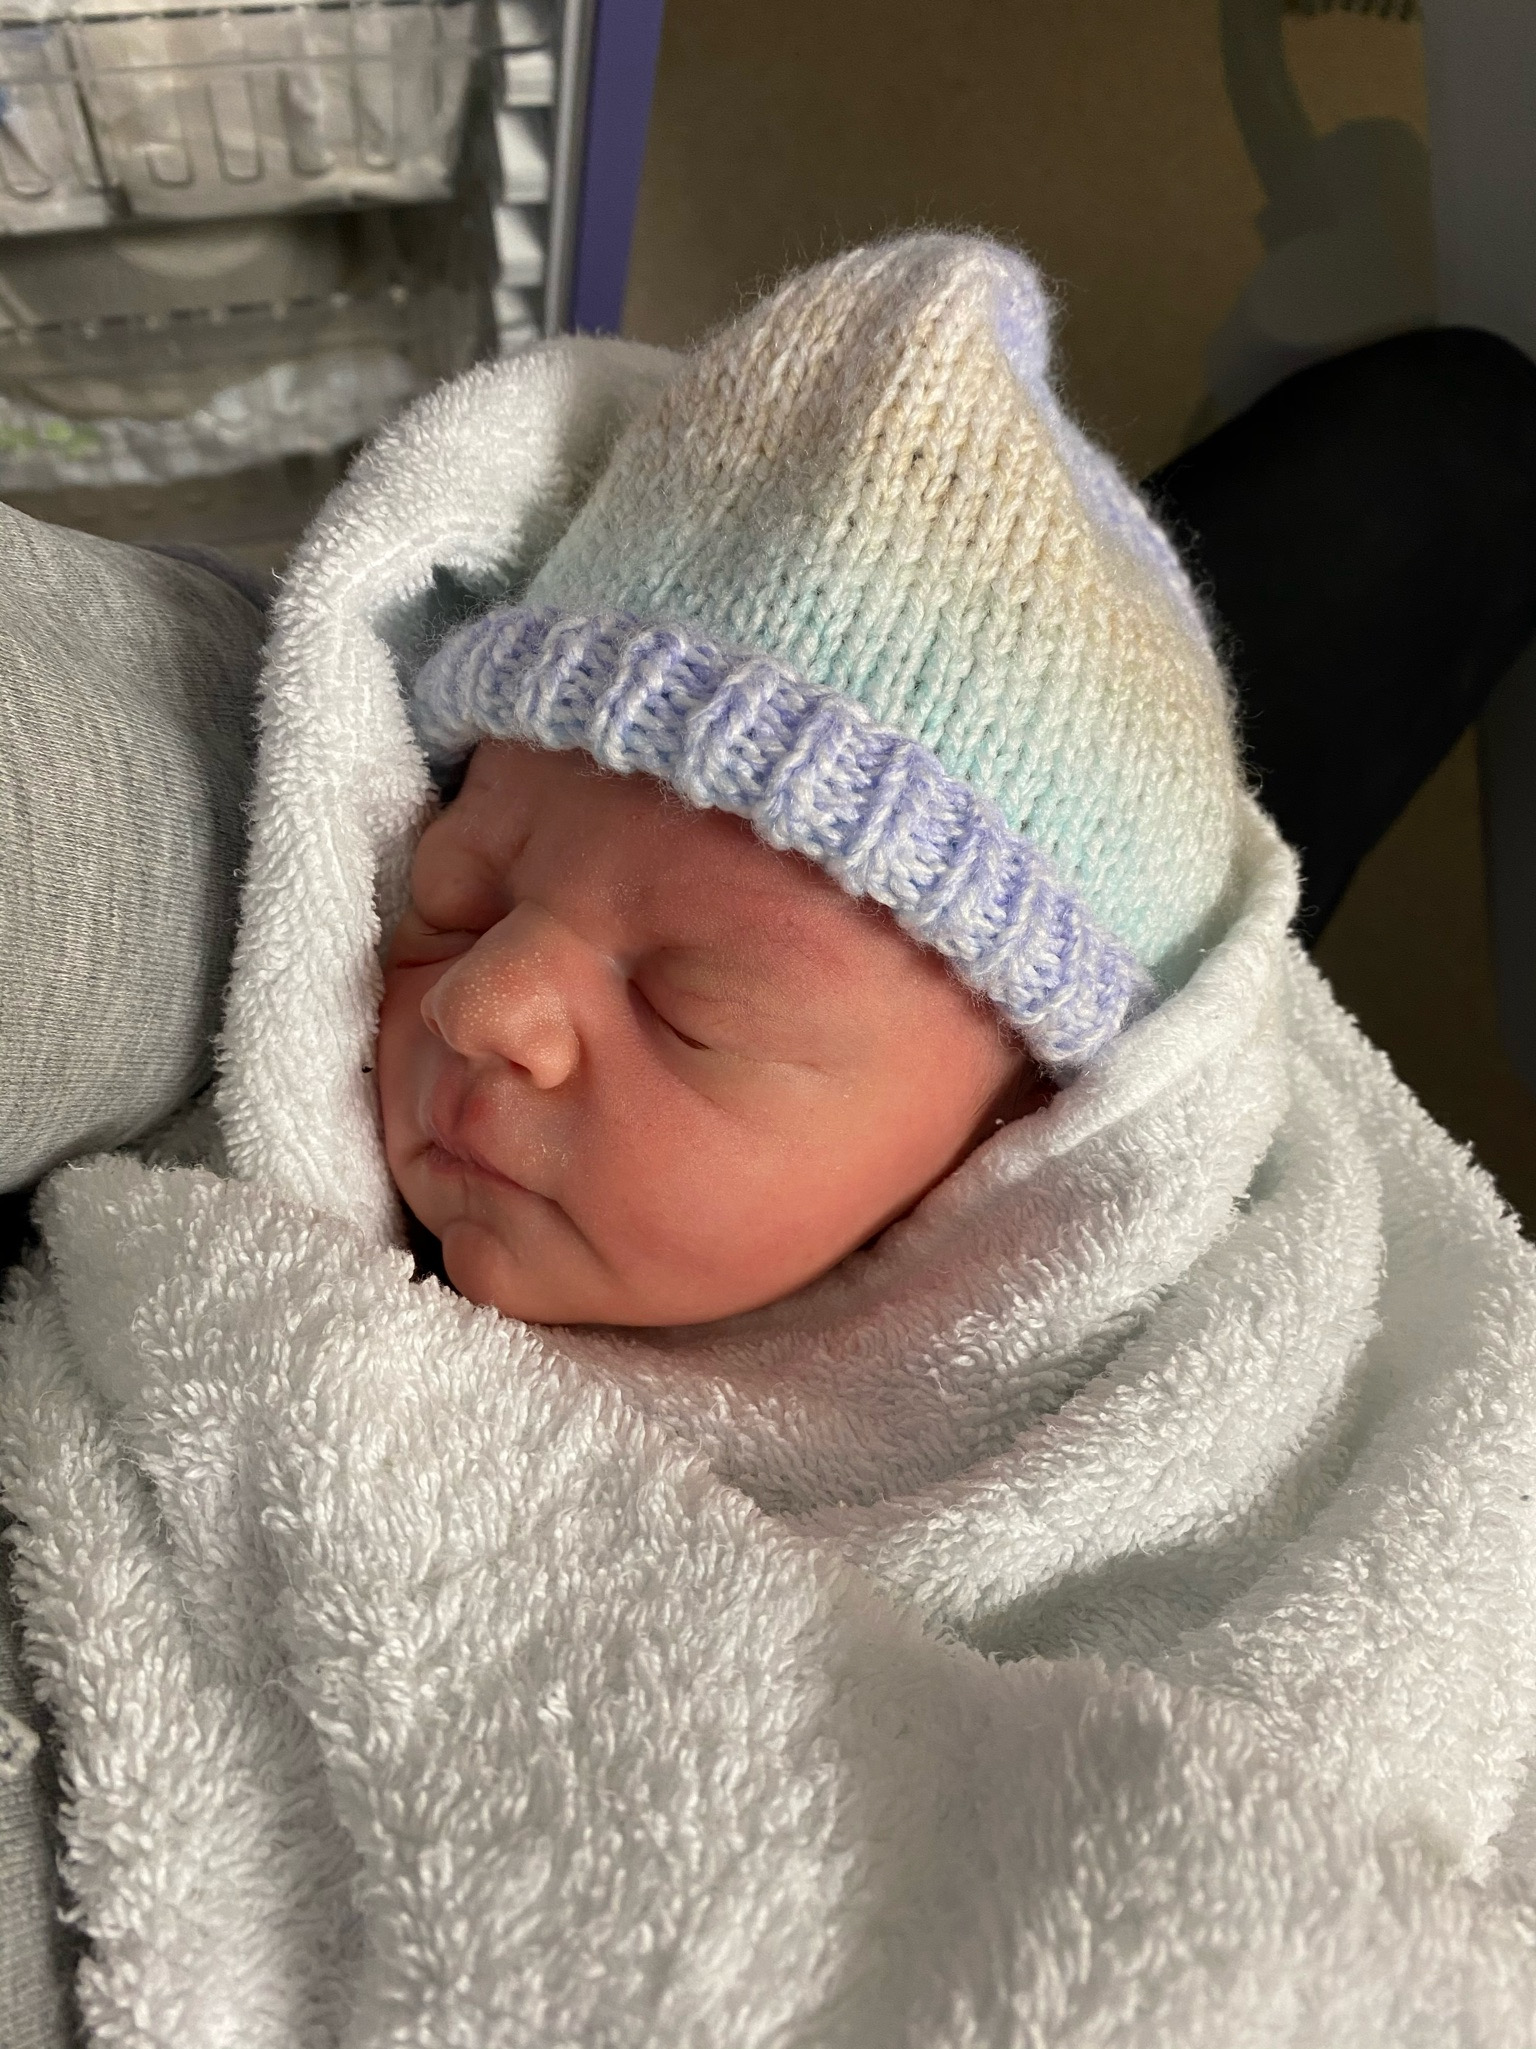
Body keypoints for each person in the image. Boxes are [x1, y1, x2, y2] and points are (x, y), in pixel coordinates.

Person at [4, 234, 1536, 2045]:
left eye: (690, 1006)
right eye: (456, 889)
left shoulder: (1167, 1466)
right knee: (1450, 458)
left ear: (1020, 1150)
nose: (483, 1000)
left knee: (1455, 451)